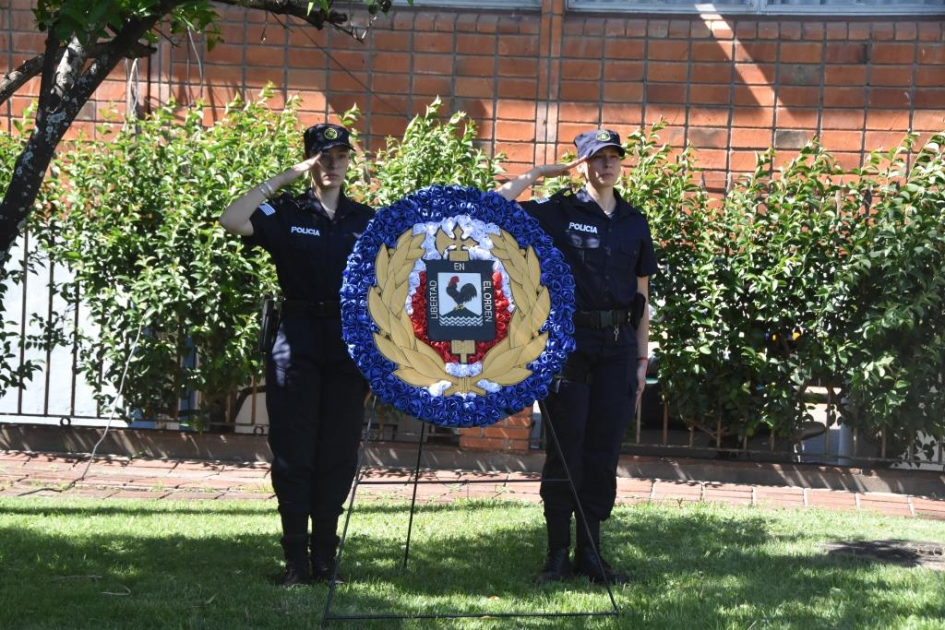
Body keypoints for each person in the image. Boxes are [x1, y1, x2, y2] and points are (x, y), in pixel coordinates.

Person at [497, 129, 658, 585]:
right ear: (581, 163)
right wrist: (539, 174)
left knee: (602, 453)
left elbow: (642, 296)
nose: (606, 165)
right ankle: (555, 554)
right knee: (564, 451)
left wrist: (642, 361)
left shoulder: (633, 221)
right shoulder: (559, 211)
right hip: (568, 347)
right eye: (597, 157)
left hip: (619, 350)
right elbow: (495, 206)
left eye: (613, 157)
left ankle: (591, 552)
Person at [219, 123, 372, 586]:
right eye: (323, 156)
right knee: (295, 451)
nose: (332, 164)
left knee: (338, 452)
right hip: (298, 339)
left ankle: (325, 560)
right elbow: (231, 219)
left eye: (340, 155)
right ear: (309, 160)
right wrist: (283, 178)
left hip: (347, 344)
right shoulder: (286, 212)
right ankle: (295, 563)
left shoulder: (364, 219)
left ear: (350, 162)